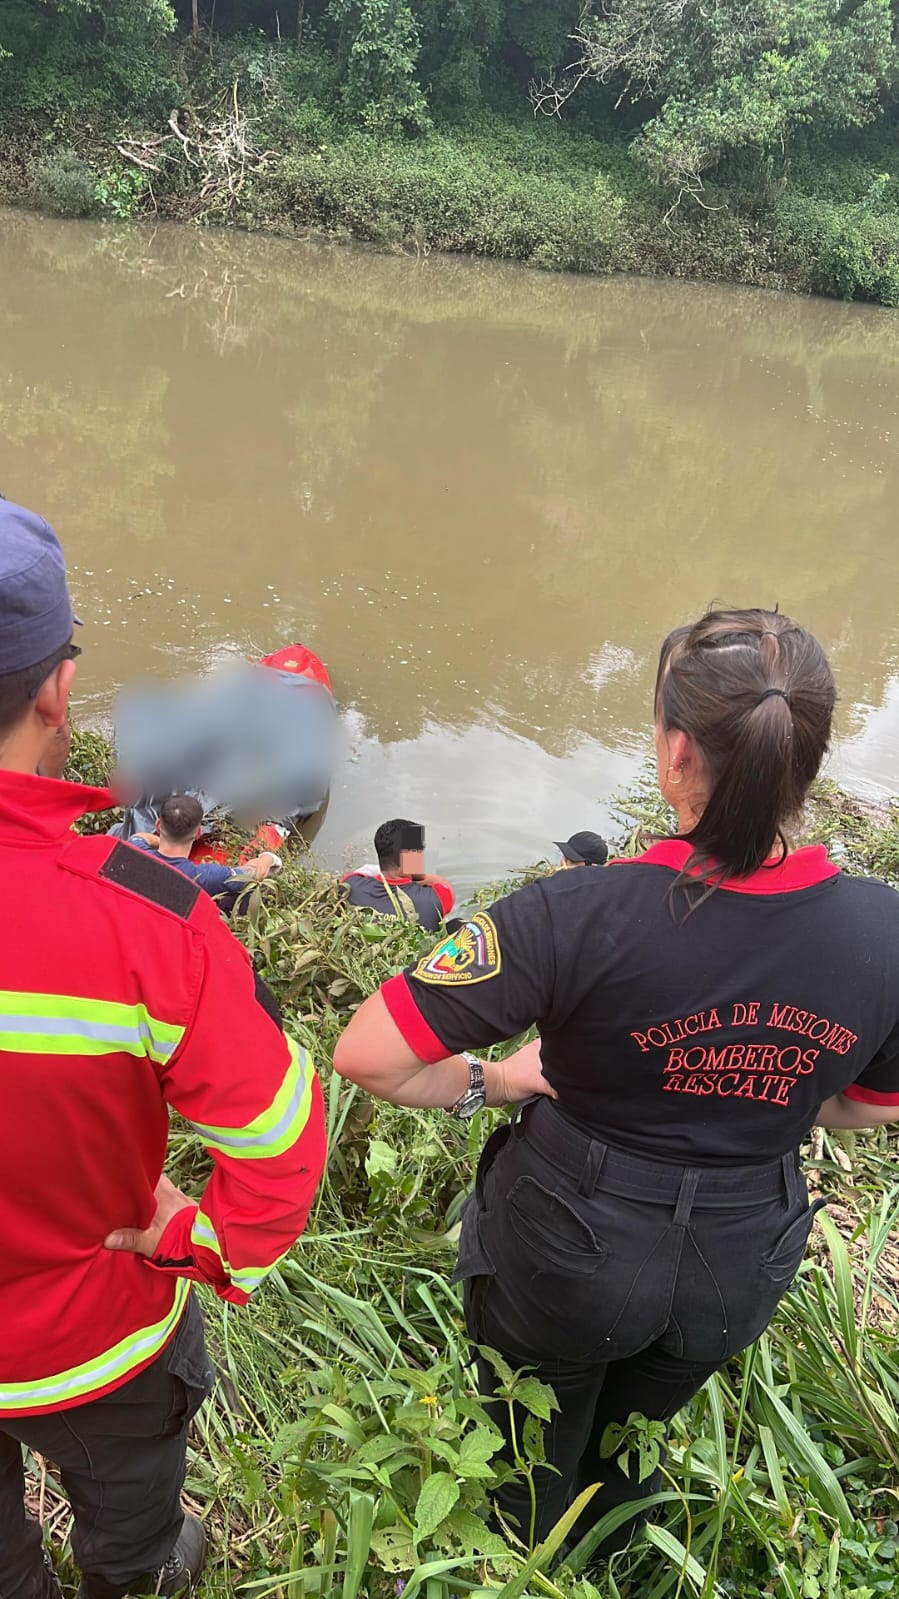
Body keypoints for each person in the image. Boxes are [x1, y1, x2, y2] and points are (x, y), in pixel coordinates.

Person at [333, 608, 899, 1557]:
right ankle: (613, 1544)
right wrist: (773, 1087)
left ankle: (527, 1555)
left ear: (676, 753)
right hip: (739, 1258)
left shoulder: (571, 912)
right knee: (636, 1429)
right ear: (806, 758)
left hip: (565, 1244)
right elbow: (871, 1104)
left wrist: (496, 1079)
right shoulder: (883, 931)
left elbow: (368, 1053)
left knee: (530, 1442)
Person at [0, 496, 327, 1599]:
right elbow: (279, 1143)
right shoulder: (151, 922)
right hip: (91, 1343)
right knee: (133, 1533)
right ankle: (135, 1571)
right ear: (57, 690)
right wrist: (199, 1244)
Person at [128, 793, 281, 909]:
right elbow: (253, 874)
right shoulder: (206, 876)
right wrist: (267, 858)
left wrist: (161, 841)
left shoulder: (134, 853)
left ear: (158, 825)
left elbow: (139, 837)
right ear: (198, 833)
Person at [341, 818, 454, 932]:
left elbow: (363, 871)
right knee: (456, 924)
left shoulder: (349, 886)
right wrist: (418, 876)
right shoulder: (434, 898)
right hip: (419, 943)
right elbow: (446, 886)